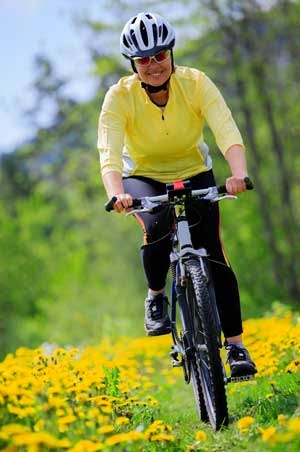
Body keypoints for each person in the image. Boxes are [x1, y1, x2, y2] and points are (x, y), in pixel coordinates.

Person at [98, 12, 257, 378]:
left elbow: (226, 128)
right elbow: (108, 153)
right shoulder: (119, 97)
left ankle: (235, 347)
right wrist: (117, 193)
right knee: (156, 227)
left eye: (159, 56)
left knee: (214, 256)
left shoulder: (196, 83)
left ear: (171, 53)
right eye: (144, 59)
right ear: (133, 64)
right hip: (143, 177)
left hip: (195, 171)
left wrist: (238, 173)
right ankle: (156, 297)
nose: (153, 65)